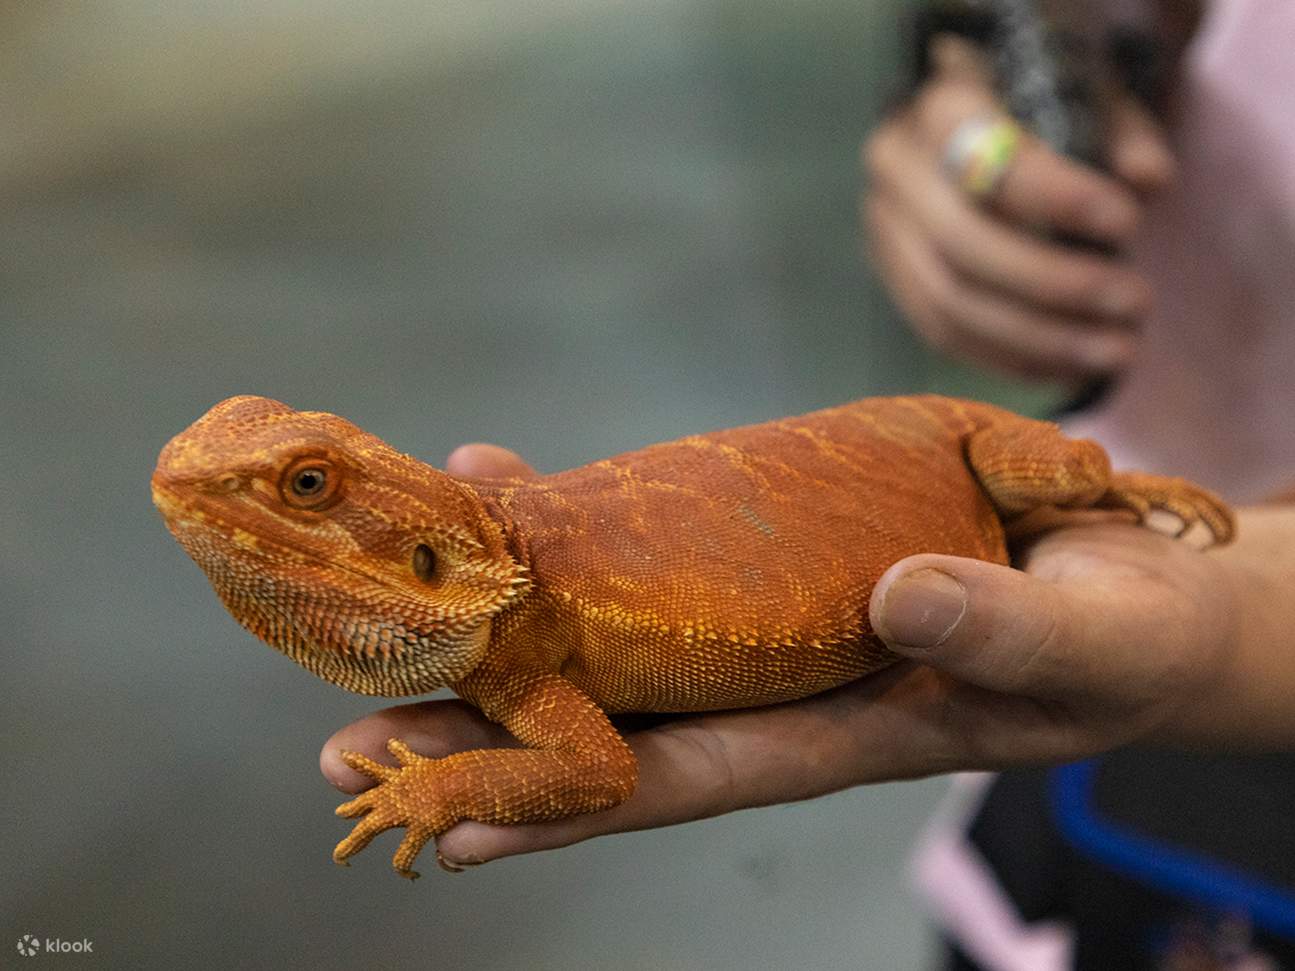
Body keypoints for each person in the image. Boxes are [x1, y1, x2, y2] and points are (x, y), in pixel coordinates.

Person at [322, 0, 1295, 965]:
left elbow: (592, 765)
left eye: (309, 488)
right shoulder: (508, 625)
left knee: (1072, 472)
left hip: (1139, 584)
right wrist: (962, 93)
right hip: (1061, 761)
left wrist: (441, 789)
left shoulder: (519, 647)